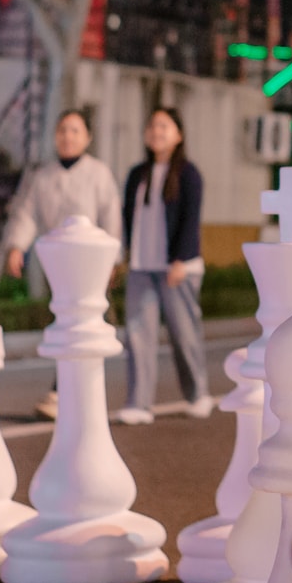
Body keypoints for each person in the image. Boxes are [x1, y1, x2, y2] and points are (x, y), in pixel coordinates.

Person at [1, 109, 122, 420]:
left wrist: (112, 262)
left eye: (74, 130)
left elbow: (111, 219)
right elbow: (27, 214)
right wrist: (17, 247)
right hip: (59, 267)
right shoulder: (44, 176)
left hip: (90, 266)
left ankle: (62, 392)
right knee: (66, 327)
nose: (67, 137)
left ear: (87, 137)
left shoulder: (99, 174)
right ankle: (70, 392)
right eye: (62, 130)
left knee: (85, 327)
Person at [118, 106, 210, 425]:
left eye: (164, 126)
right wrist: (125, 256)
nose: (156, 132)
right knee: (137, 336)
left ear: (178, 134)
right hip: (142, 266)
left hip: (176, 268)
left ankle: (198, 394)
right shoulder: (136, 174)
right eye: (152, 126)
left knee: (184, 334)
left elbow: (190, 220)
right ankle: (139, 403)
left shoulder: (188, 174)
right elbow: (128, 219)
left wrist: (181, 260)